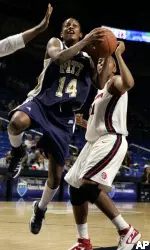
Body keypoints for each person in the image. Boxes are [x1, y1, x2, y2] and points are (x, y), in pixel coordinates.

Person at [7, 7, 105, 234]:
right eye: (66, 25)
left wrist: (106, 55)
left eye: (75, 25)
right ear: (62, 33)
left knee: (56, 177)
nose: (70, 27)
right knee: (16, 123)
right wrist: (87, 41)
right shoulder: (55, 44)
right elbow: (59, 58)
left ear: (80, 33)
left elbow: (100, 85)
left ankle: (40, 209)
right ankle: (18, 152)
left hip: (64, 116)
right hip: (42, 102)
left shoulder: (88, 59)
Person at [65, 42, 141, 250]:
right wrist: (85, 124)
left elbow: (129, 82)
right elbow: (100, 122)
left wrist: (117, 55)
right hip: (94, 142)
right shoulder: (100, 92)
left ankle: (127, 231)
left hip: (110, 140)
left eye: (103, 62)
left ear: (113, 67)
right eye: (98, 63)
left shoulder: (115, 82)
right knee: (75, 188)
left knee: (89, 185)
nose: (100, 65)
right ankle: (84, 242)